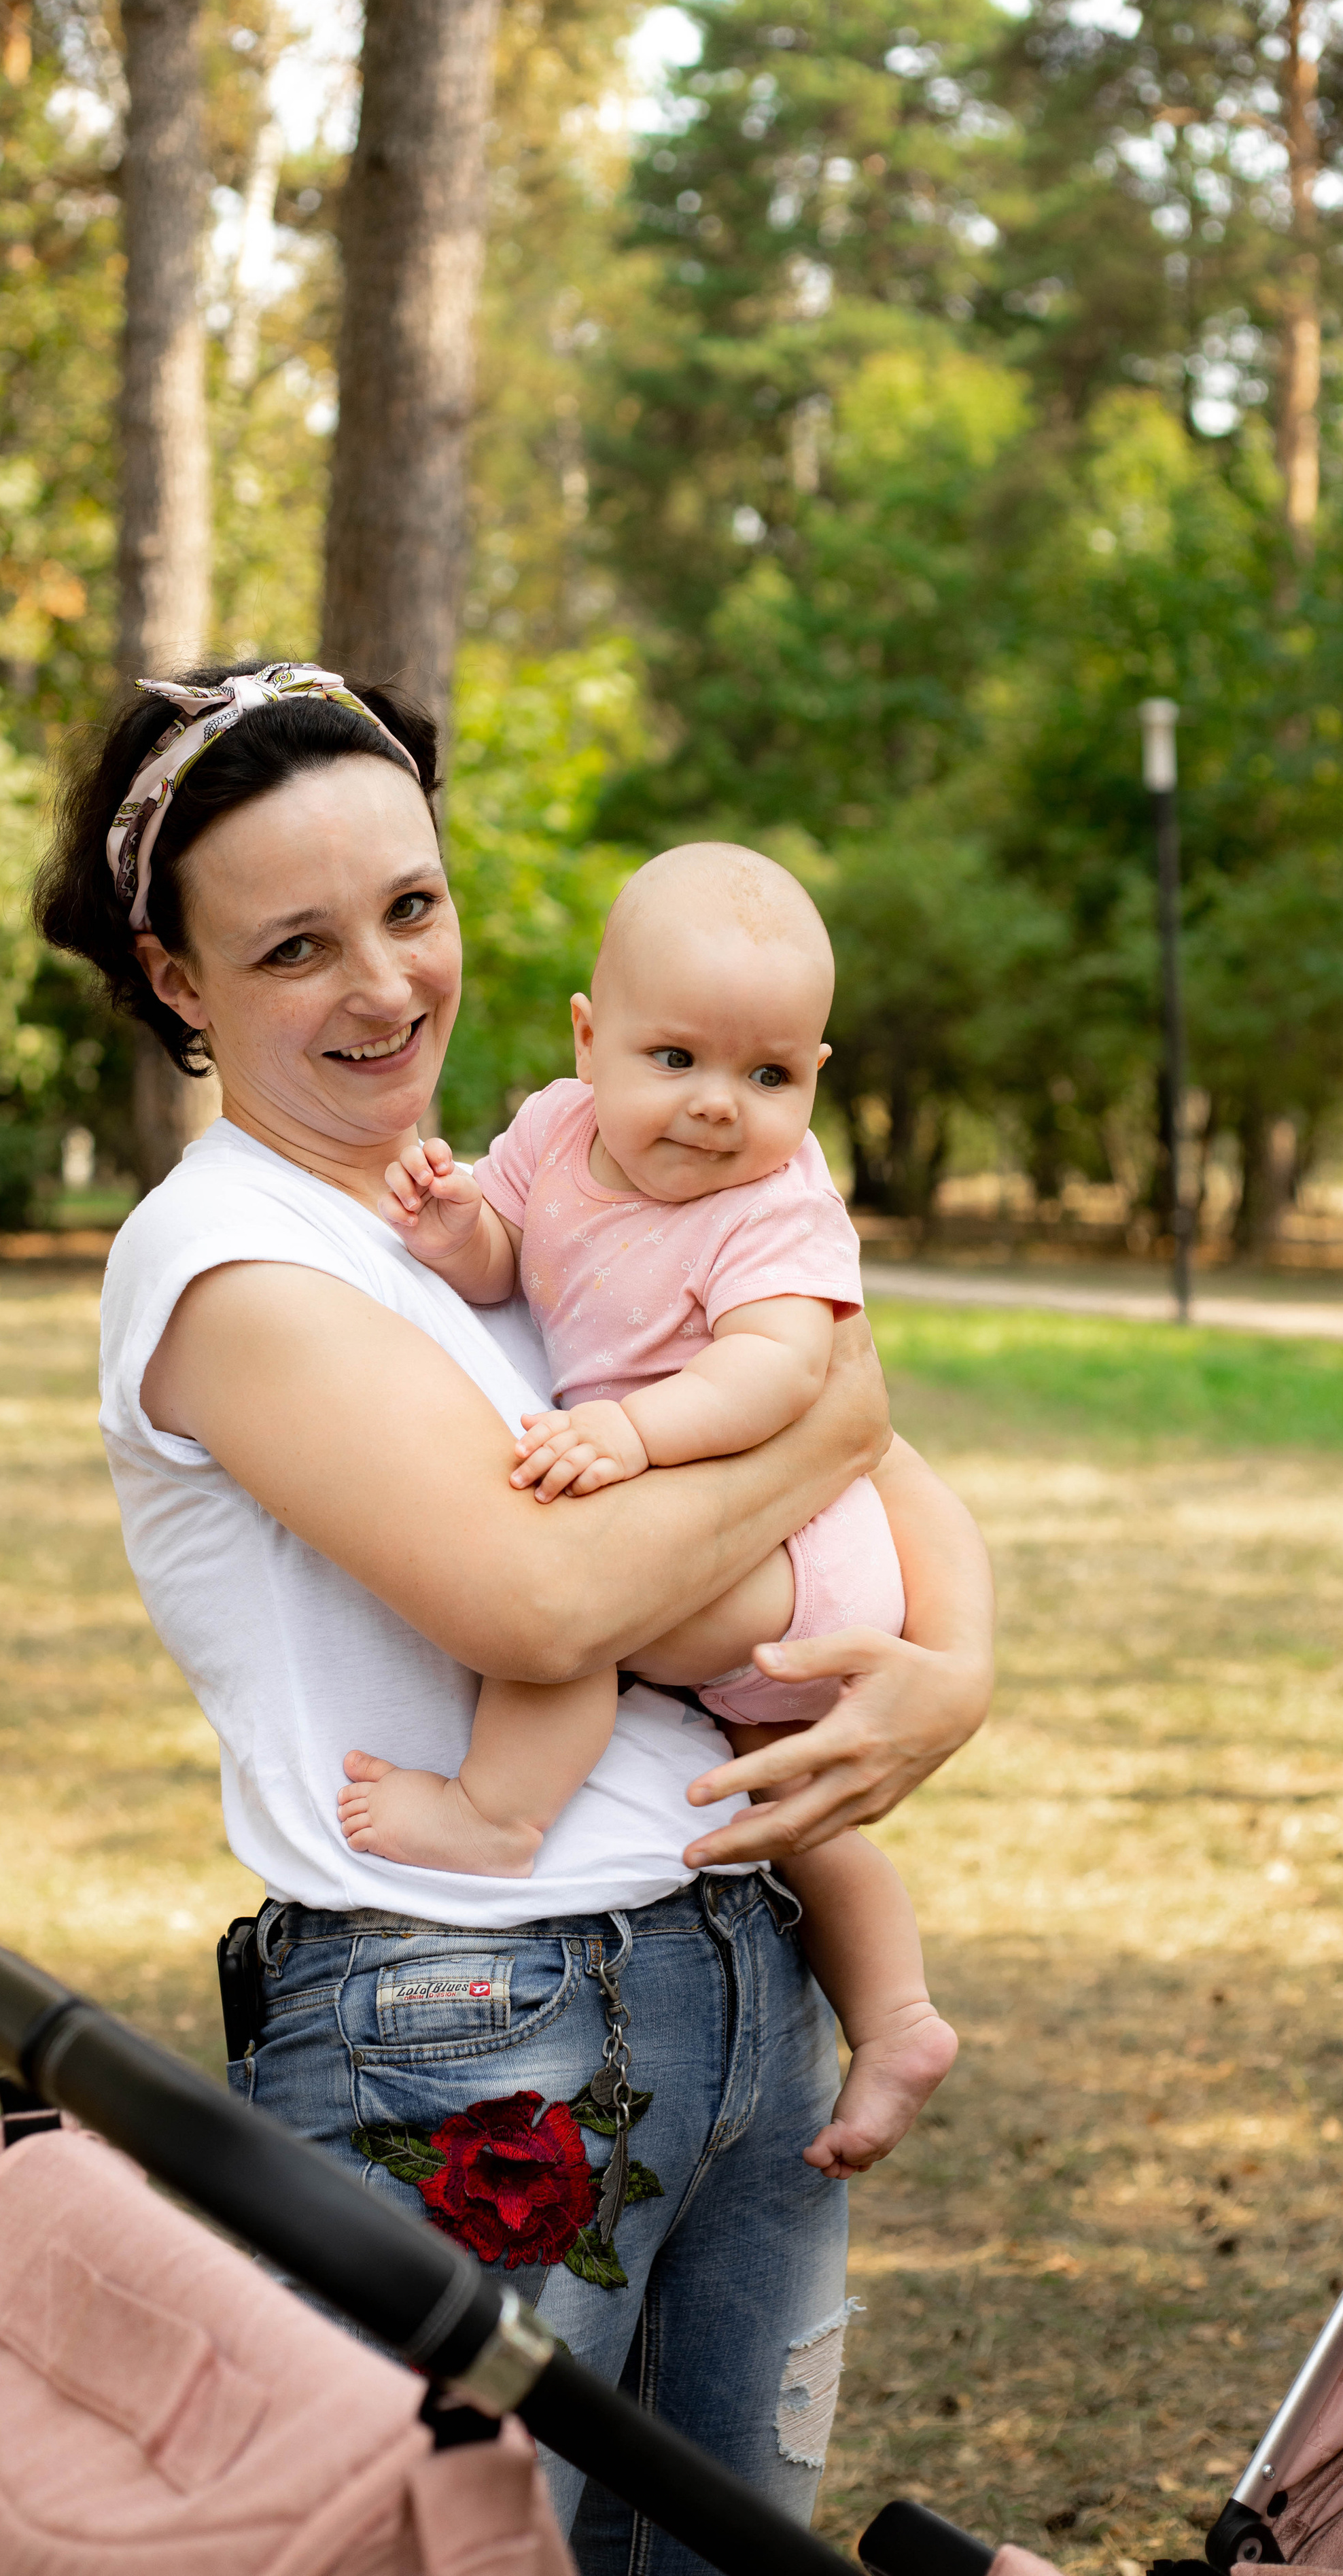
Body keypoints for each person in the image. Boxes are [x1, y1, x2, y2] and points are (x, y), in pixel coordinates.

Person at [35, 658, 995, 2576]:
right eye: (296, 946)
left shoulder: (521, 1201)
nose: (385, 986)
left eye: (411, 907)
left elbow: (879, 1448)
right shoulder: (222, 1258)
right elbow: (542, 1598)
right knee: (458, 2556)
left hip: (745, 1983)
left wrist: (952, 1674)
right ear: (176, 981)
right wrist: (836, 1410)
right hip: (465, 2024)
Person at [350, 841, 956, 2178]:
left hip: (790, 1556)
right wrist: (457, 1230)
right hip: (735, 1557)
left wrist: (632, 1430)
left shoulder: (777, 1207)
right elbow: (508, 1252)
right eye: (672, 1059)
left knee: (573, 1605)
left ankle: (495, 1818)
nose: (715, 1109)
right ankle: (898, 2013)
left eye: (767, 1076)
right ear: (588, 1037)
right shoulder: (551, 1132)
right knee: (795, 1818)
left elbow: (782, 1371)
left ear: (814, 1076)